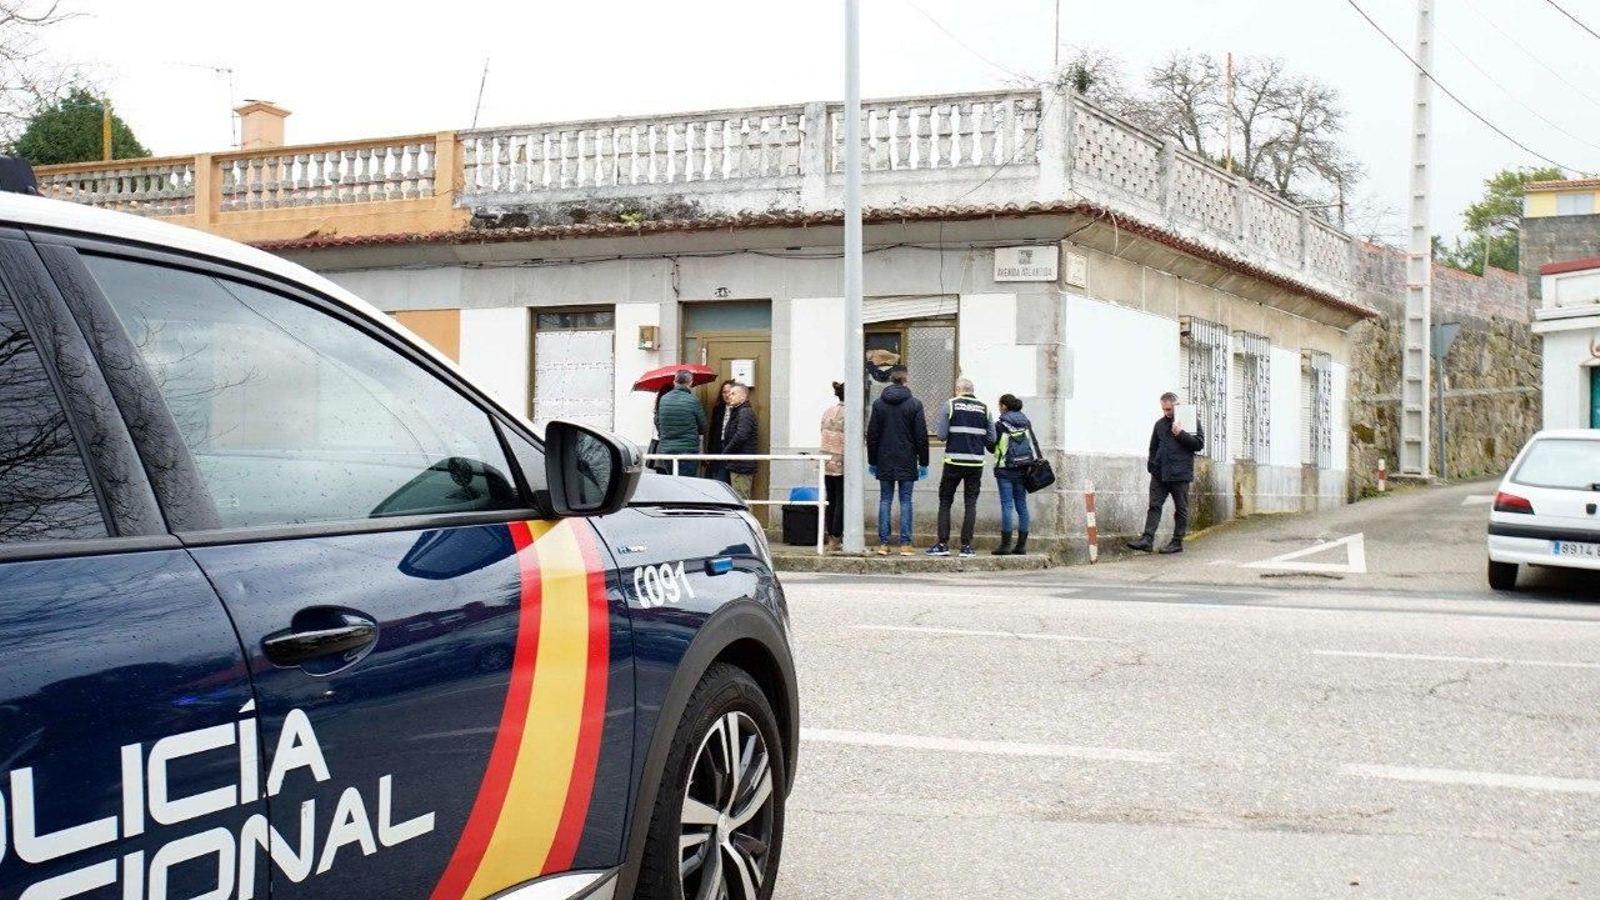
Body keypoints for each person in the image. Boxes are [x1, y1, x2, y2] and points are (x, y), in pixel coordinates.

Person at [1128, 391, 1205, 554]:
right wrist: (1152, 465)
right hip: (1160, 473)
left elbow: (1199, 444)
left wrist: (1180, 434)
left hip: (1180, 474)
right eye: (1164, 409)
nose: (1166, 413)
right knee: (1154, 506)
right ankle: (1147, 540)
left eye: (1169, 409)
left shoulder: (1190, 422)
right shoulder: (1159, 424)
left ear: (1176, 406)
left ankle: (1177, 542)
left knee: (1181, 509)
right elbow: (1153, 447)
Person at [928, 377, 995, 558]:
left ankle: (943, 544)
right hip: (975, 463)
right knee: (970, 503)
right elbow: (991, 439)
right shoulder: (985, 408)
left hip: (953, 462)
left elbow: (941, 435)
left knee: (945, 501)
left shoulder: (950, 405)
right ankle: (966, 546)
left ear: (958, 389)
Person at [866, 366, 928, 555]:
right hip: (907, 459)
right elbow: (921, 436)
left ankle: (884, 544)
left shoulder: (878, 404)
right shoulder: (915, 404)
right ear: (905, 380)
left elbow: (872, 435)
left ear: (890, 380)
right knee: (906, 501)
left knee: (885, 499)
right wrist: (923, 462)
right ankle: (905, 544)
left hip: (884, 459)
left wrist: (872, 460)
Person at [992, 393, 1036, 555]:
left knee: (1007, 505)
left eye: (999, 405)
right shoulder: (1026, 423)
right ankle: (1021, 545)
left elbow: (991, 446)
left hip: (1004, 468)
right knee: (1022, 505)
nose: (999, 408)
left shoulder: (1000, 425)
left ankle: (1005, 545)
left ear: (1004, 406)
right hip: (1023, 468)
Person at [654, 369, 707, 476]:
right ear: (690, 382)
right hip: (688, 449)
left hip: (667, 450)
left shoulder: (664, 399)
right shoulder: (693, 400)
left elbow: (658, 423)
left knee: (673, 482)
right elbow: (703, 428)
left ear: (674, 381)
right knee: (687, 483)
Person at [720, 382, 759, 499]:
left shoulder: (744, 412)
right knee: (739, 497)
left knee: (742, 498)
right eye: (729, 393)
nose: (729, 396)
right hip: (738, 462)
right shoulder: (738, 411)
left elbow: (741, 436)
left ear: (743, 396)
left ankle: (746, 518)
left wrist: (726, 453)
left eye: (733, 394)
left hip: (741, 464)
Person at [820, 380, 846, 550]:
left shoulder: (828, 411)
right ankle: (836, 536)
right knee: (841, 499)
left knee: (831, 498)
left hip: (826, 459)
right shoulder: (850, 413)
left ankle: (830, 535)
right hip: (842, 460)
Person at [706, 379, 738, 483]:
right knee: (719, 480)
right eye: (724, 392)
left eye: (729, 392)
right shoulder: (718, 409)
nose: (727, 395)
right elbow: (712, 432)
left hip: (733, 449)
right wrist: (709, 453)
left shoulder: (739, 409)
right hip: (718, 448)